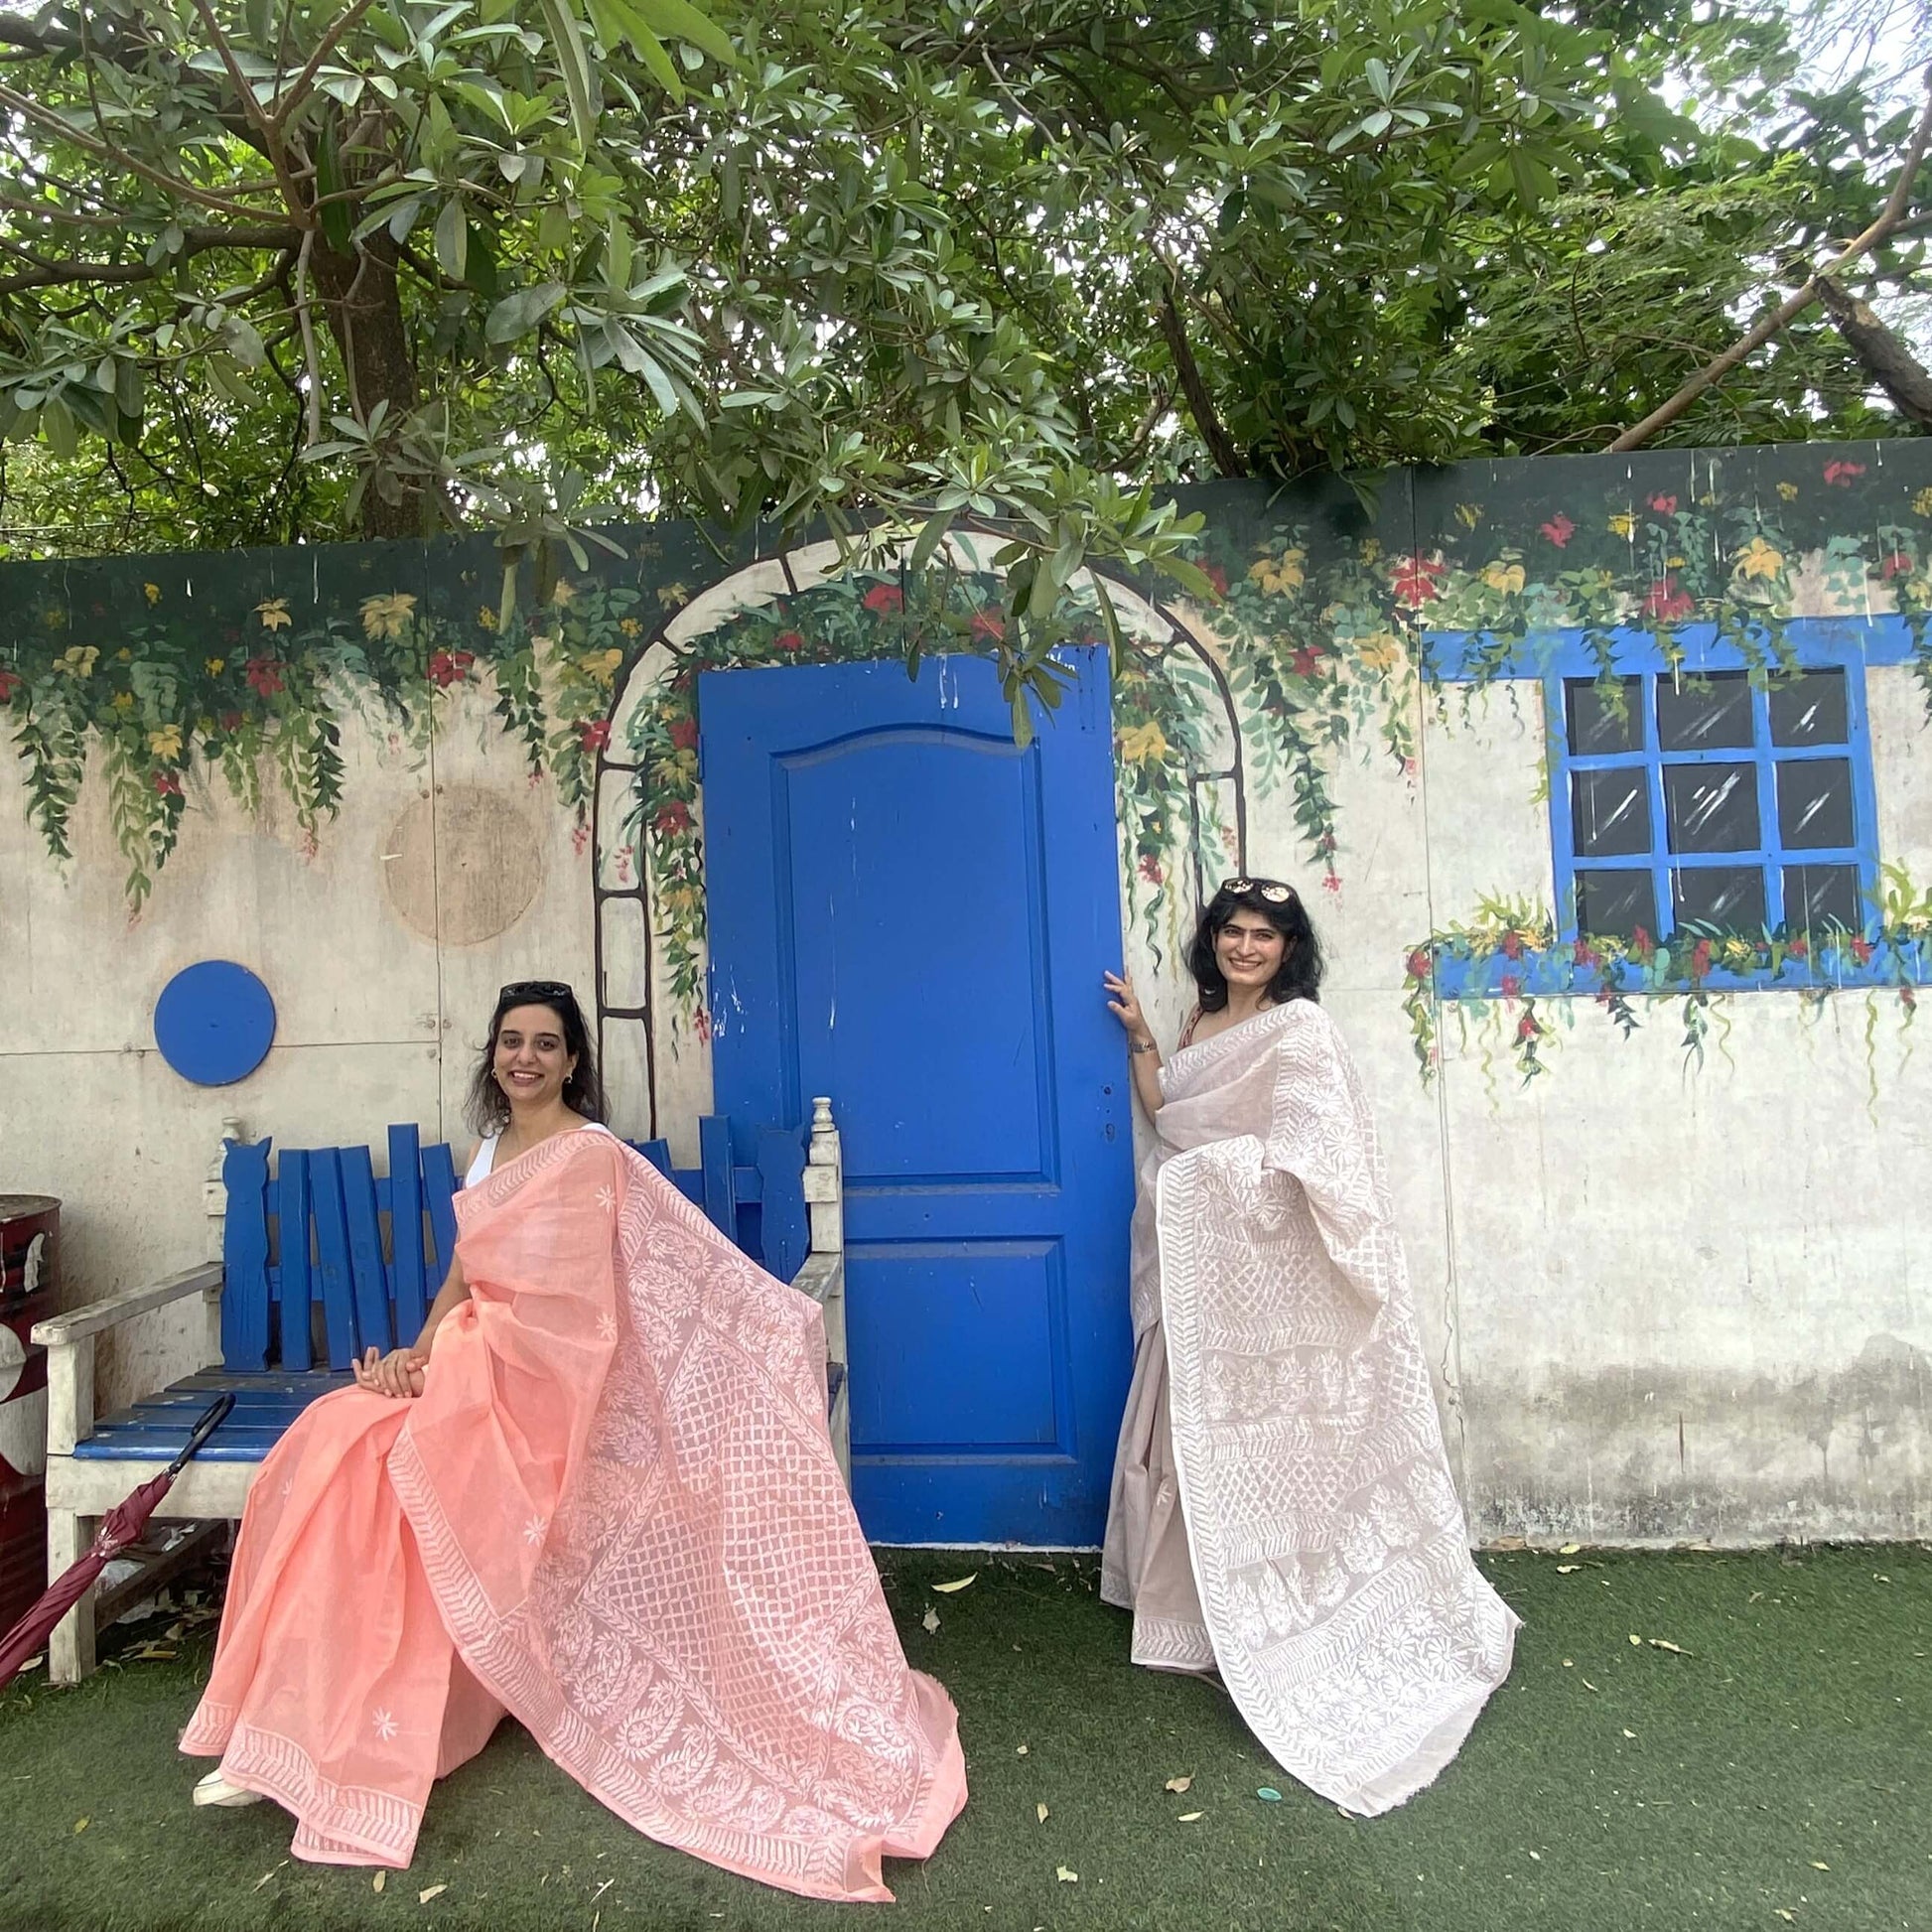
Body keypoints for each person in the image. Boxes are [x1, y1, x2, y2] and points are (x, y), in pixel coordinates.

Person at [182, 981, 965, 1901]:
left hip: (547, 1393)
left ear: (572, 1061)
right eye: (511, 1041)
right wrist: (420, 1356)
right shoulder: (489, 1151)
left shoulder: (590, 1156)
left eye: (545, 1045)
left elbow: (595, 1309)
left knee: (397, 1467)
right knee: (336, 1439)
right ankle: (295, 1722)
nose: (525, 1058)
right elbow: (461, 1279)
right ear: (493, 1055)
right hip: (470, 1369)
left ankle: (354, 1733)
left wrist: (768, 1324)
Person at [1100, 880, 1518, 1816]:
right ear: (1213, 942)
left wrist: (1220, 1180)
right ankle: (1190, 1612)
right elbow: (1173, 1115)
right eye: (1233, 932)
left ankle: (1268, 1612)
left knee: (1260, 1449)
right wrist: (1142, 1043)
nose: (1247, 948)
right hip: (1194, 1269)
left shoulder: (1301, 1034)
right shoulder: (1206, 1022)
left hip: (1260, 1282)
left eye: (1266, 936)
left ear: (1290, 948)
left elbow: (1313, 1156)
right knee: (1181, 1427)